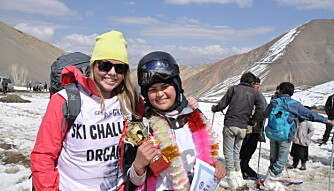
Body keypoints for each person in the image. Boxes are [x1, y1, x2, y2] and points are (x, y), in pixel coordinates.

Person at [30, 30, 143, 191]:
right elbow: (43, 156)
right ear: (93, 65)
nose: (112, 73)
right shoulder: (65, 100)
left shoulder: (130, 101)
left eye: (119, 68)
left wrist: (185, 106)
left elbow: (144, 135)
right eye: (105, 66)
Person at [127, 51, 226, 191]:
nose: (160, 94)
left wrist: (215, 165)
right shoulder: (139, 125)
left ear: (177, 86)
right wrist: (138, 165)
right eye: (153, 89)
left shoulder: (194, 115)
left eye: (165, 87)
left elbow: (208, 153)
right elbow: (133, 180)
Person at [263, 82, 333, 191]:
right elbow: (311, 115)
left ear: (280, 91)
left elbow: (265, 114)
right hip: (286, 136)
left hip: (273, 134)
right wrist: (327, 121)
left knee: (274, 158)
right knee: (281, 160)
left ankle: (270, 179)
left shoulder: (273, 102)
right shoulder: (295, 104)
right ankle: (271, 180)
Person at [211, 72, 264, 189]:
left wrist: (214, 108)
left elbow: (222, 105)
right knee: (236, 152)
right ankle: (238, 177)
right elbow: (262, 107)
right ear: (252, 82)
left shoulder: (233, 89)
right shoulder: (256, 93)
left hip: (231, 124)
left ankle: (230, 178)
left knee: (228, 152)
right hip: (243, 127)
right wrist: (252, 121)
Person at [240, 77, 267, 180]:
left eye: (259, 84)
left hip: (256, 128)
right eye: (256, 84)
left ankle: (245, 166)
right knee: (243, 149)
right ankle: (242, 169)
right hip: (247, 128)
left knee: (251, 149)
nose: (258, 86)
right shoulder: (247, 95)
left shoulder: (259, 95)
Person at [288, 106, 314, 171]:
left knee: (303, 155)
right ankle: (294, 164)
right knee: (295, 154)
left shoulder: (308, 123)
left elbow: (312, 131)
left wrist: (307, 137)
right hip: (296, 140)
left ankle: (303, 164)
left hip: (303, 141)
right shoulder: (296, 120)